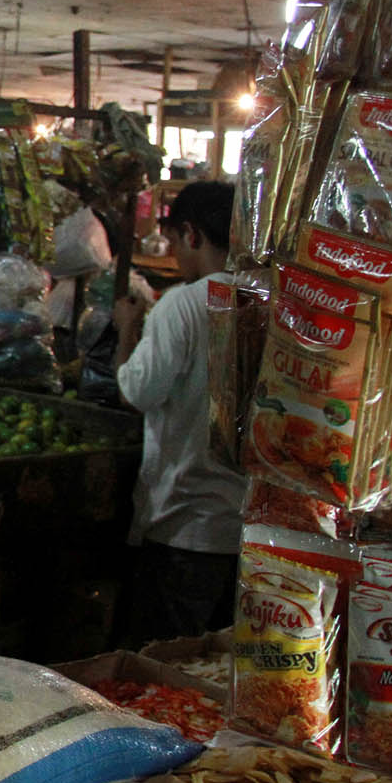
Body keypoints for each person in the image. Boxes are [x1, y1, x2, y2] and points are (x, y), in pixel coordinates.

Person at [112, 180, 248, 645]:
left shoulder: (184, 305)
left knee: (162, 671)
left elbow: (137, 392)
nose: (173, 254)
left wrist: (127, 331)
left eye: (172, 241)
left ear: (192, 234)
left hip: (184, 528)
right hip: (247, 534)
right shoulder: (267, 302)